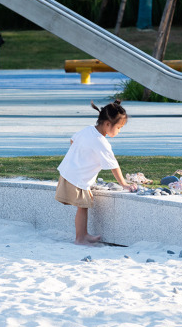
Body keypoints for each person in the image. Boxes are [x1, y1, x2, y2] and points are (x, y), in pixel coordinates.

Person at [55, 100, 135, 245]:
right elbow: (113, 165)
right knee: (82, 206)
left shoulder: (88, 130)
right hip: (78, 178)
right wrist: (123, 184)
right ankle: (80, 238)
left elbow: (72, 140)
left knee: (83, 206)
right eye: (119, 127)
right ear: (107, 124)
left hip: (69, 171)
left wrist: (82, 156)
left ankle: (84, 234)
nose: (119, 131)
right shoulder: (101, 142)